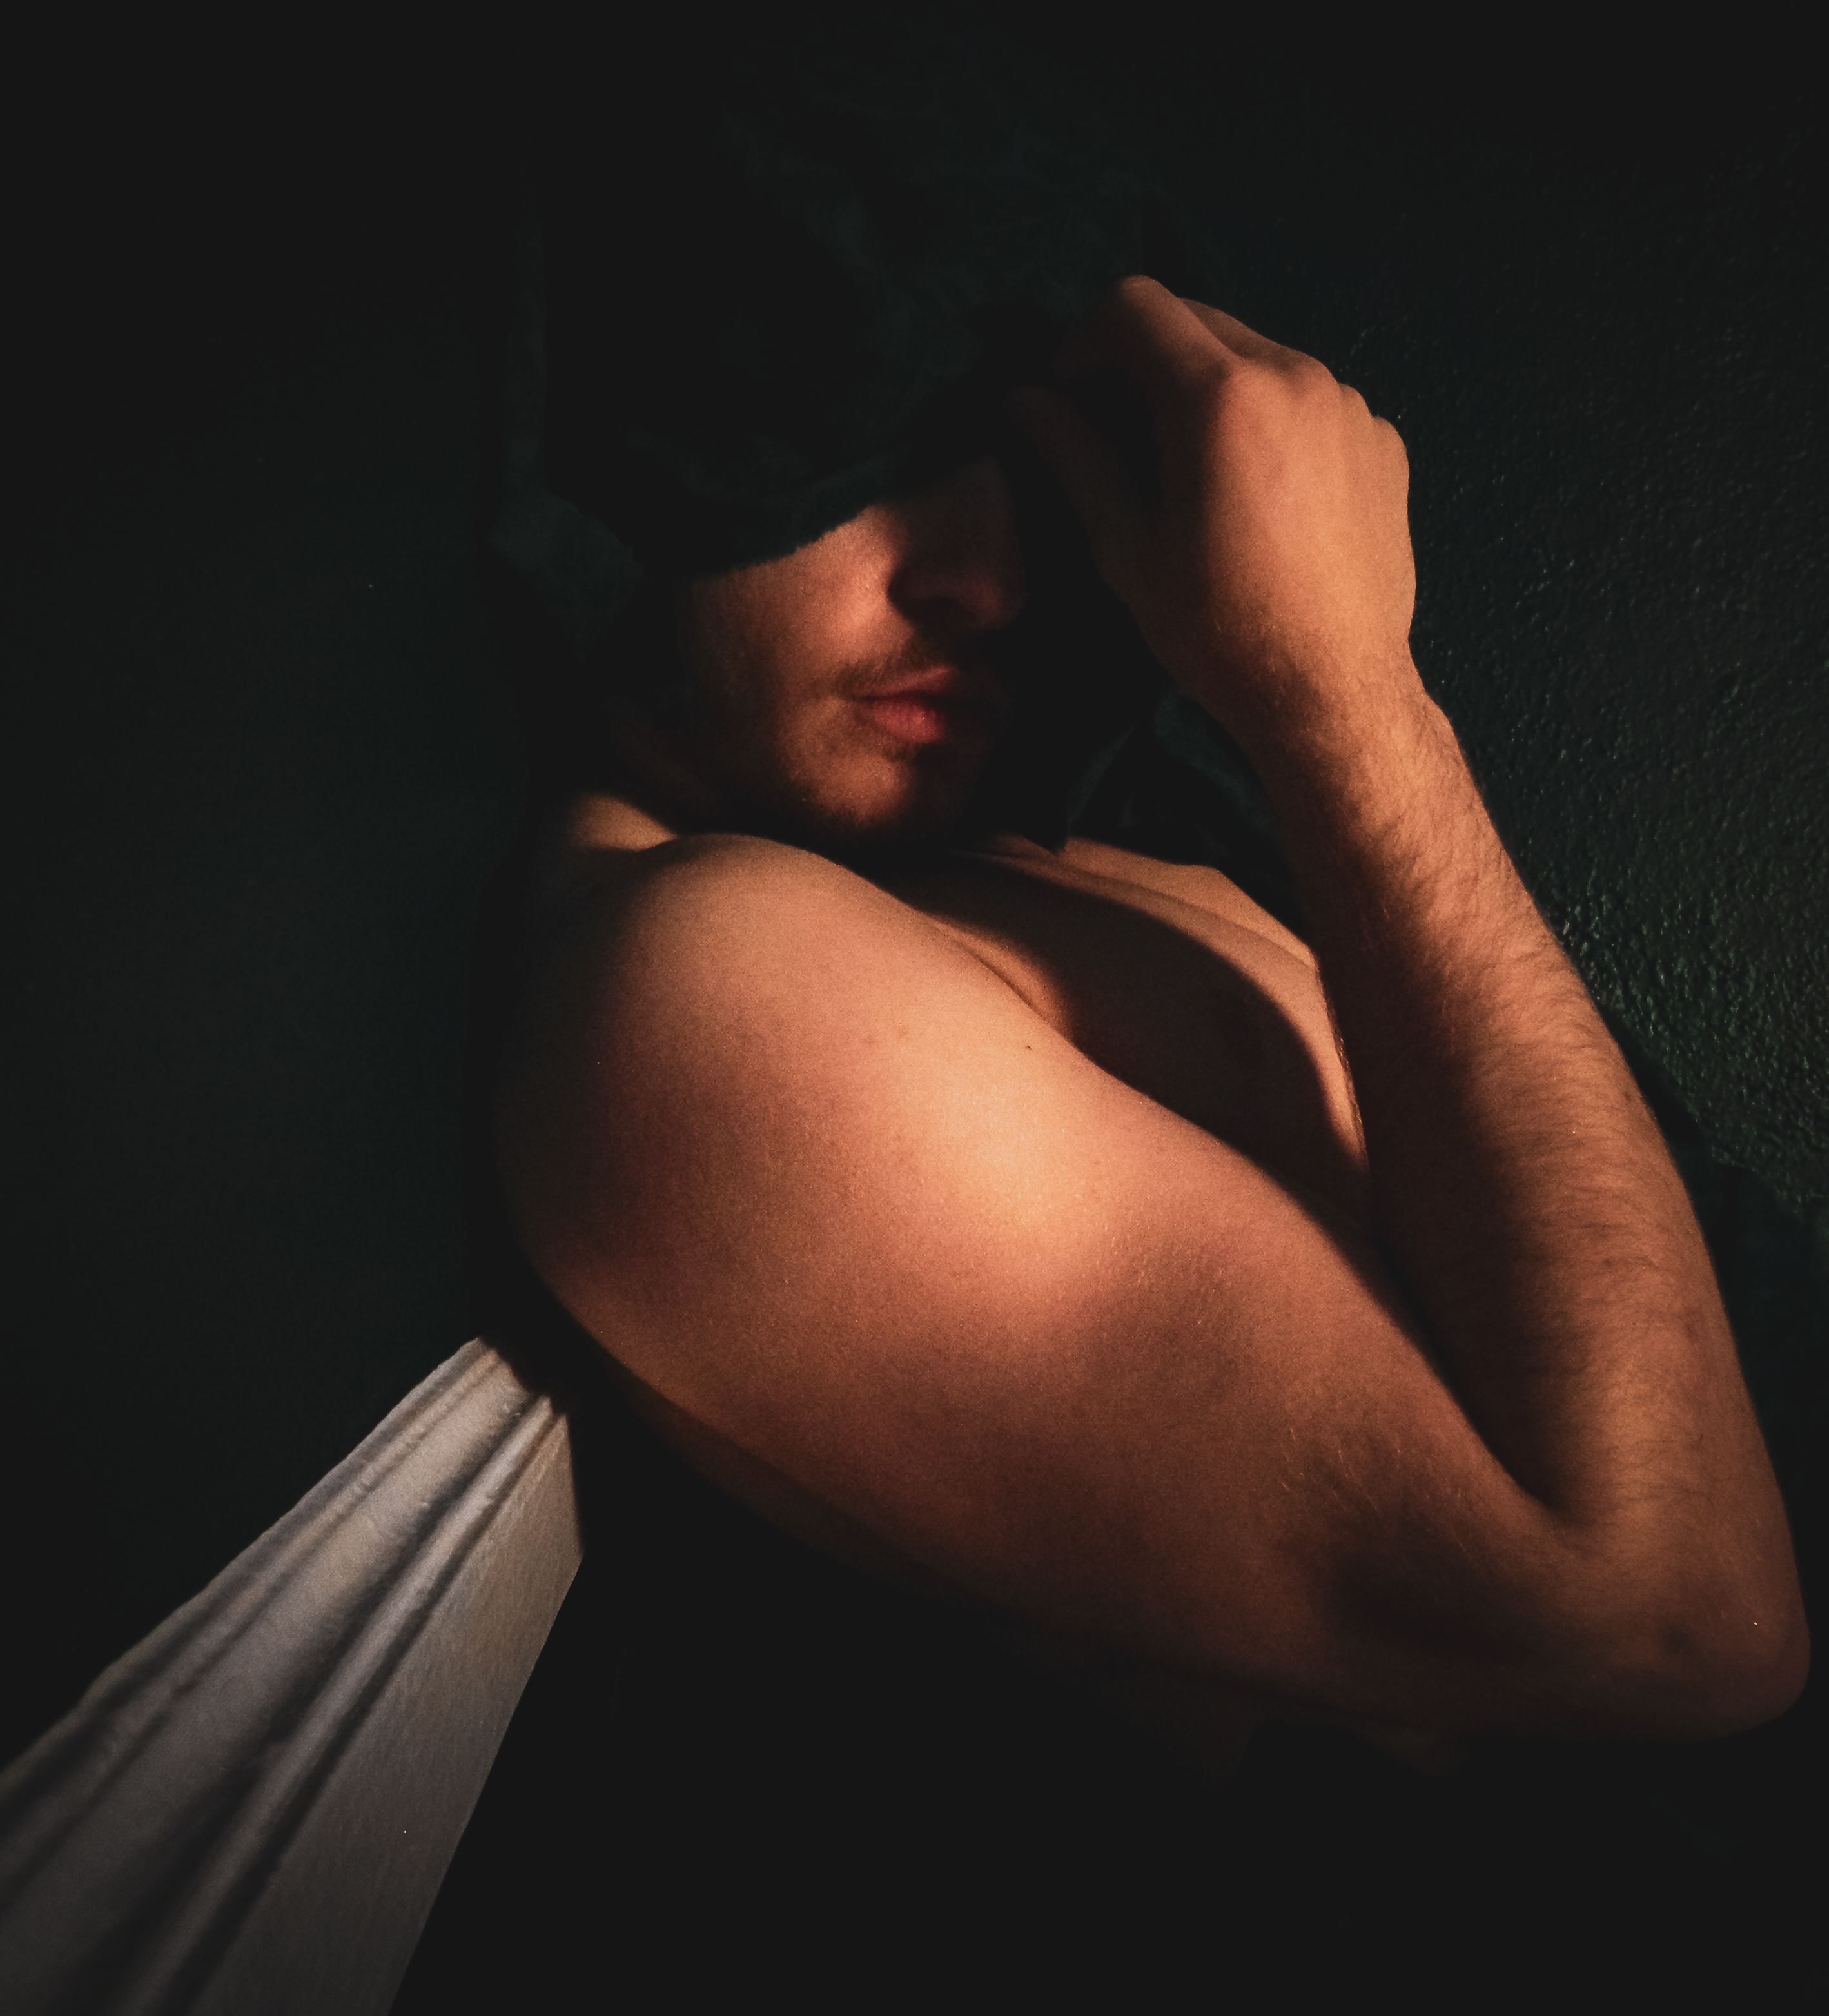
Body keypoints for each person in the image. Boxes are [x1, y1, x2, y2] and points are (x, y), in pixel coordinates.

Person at [487, 271, 1808, 1785]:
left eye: (1023, 478)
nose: (987, 583)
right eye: (867, 468)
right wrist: (1348, 687)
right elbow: (1672, 1624)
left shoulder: (1009, 855)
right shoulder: (710, 992)